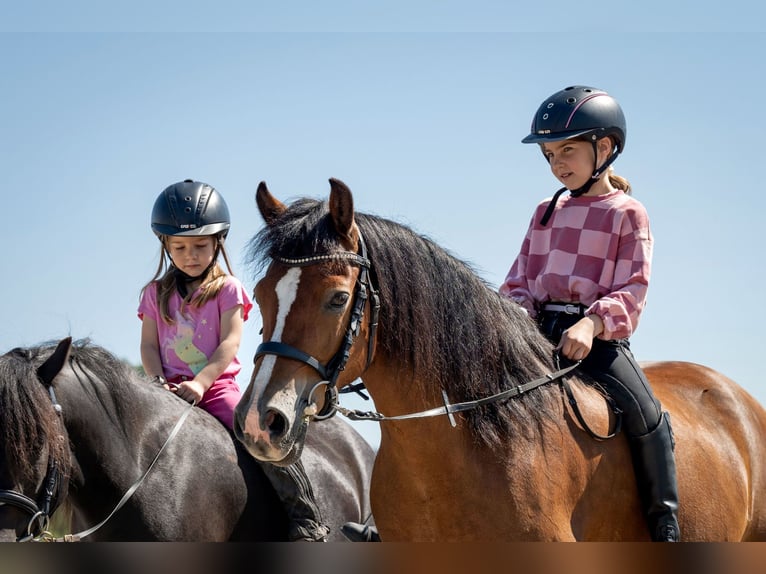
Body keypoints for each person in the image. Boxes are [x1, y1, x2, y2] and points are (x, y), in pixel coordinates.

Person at [499, 86, 680, 542]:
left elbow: (632, 288)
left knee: (650, 418)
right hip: (535, 333)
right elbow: (518, 279)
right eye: (549, 154)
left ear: (605, 147)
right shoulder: (545, 212)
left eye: (568, 150)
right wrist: (519, 318)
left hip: (595, 338)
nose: (558, 163)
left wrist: (591, 323)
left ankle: (665, 523)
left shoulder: (628, 213)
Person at [138, 179, 330, 542]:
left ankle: (304, 514)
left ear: (217, 243)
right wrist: (155, 380)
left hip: (215, 389)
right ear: (165, 245)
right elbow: (149, 346)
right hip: (166, 389)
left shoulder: (228, 289)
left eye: (199, 245)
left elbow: (229, 342)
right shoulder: (153, 294)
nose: (189, 255)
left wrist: (200, 383)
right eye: (179, 246)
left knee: (257, 432)